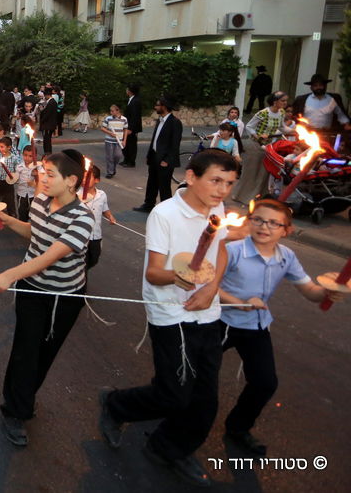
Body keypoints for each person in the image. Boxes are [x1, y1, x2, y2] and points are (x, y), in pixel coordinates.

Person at [98, 150, 242, 488]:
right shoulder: (164, 214)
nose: (222, 191)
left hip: (208, 311)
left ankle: (170, 448)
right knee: (174, 393)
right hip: (170, 312)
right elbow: (154, 273)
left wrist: (212, 288)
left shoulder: (217, 209)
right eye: (216, 181)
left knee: (205, 399)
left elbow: (220, 250)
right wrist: (185, 279)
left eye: (230, 184)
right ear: (191, 177)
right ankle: (116, 404)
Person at [0, 150, 96, 447]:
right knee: (25, 350)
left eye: (50, 175)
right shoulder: (40, 201)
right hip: (33, 290)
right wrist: (8, 220)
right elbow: (35, 234)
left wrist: (10, 274)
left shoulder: (83, 218)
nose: (42, 179)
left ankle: (25, 395)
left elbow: (50, 256)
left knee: (46, 353)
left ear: (71, 181)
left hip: (66, 297)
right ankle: (15, 410)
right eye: (42, 173)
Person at [216, 198, 344, 456]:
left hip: (256, 326)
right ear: (250, 222)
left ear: (287, 230)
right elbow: (209, 287)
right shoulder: (233, 250)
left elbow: (309, 289)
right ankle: (171, 413)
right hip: (220, 323)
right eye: (259, 220)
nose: (265, 227)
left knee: (264, 382)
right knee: (196, 376)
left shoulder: (287, 257)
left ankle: (238, 428)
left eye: (274, 223)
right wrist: (239, 302)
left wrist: (328, 292)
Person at [232, 91, 288, 205]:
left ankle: (259, 197)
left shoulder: (282, 112)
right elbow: (249, 126)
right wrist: (257, 135)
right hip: (255, 145)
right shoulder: (263, 113)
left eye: (286, 100)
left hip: (268, 147)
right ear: (275, 101)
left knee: (263, 173)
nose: (285, 103)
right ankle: (243, 197)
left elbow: (283, 128)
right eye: (283, 100)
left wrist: (296, 131)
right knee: (251, 172)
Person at [134, 96, 183, 213]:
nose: (155, 107)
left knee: (164, 185)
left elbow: (175, 144)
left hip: (165, 160)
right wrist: (149, 154)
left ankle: (167, 210)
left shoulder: (175, 123)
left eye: (157, 105)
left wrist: (167, 159)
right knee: (152, 182)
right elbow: (155, 139)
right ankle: (148, 204)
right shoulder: (160, 120)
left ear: (164, 107)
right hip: (155, 156)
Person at [291, 74, 351, 146]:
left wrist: (346, 124)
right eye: (315, 86)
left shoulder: (333, 99)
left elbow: (341, 115)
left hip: (326, 135)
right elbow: (294, 115)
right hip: (307, 134)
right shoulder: (302, 99)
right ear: (311, 87)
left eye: (320, 85)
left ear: (325, 86)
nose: (318, 88)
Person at [78, 165, 115, 270]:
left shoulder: (101, 195)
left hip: (96, 235)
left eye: (88, 177)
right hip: (81, 235)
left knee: (94, 258)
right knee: (82, 263)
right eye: (83, 177)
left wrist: (110, 216)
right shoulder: (76, 194)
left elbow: (105, 209)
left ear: (97, 180)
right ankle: (81, 276)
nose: (84, 180)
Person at [100, 104, 129, 178]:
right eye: (110, 111)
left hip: (119, 141)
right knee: (109, 157)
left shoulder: (124, 119)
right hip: (109, 141)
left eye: (112, 111)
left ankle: (113, 168)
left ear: (117, 110)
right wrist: (110, 133)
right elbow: (102, 128)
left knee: (118, 155)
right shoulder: (108, 118)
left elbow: (125, 130)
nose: (111, 112)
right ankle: (110, 172)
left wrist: (124, 140)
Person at [122, 85, 142, 167]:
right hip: (127, 126)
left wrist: (131, 128)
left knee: (132, 145)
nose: (126, 90)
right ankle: (126, 159)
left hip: (131, 128)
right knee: (126, 144)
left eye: (127, 89)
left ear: (130, 91)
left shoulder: (135, 101)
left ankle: (131, 162)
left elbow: (135, 116)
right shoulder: (131, 100)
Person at [37, 88, 59, 156]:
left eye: (44, 95)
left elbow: (47, 114)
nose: (44, 97)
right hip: (48, 124)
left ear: (47, 95)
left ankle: (48, 153)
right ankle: (47, 153)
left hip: (48, 125)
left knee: (47, 140)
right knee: (47, 139)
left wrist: (41, 121)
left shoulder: (51, 102)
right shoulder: (51, 102)